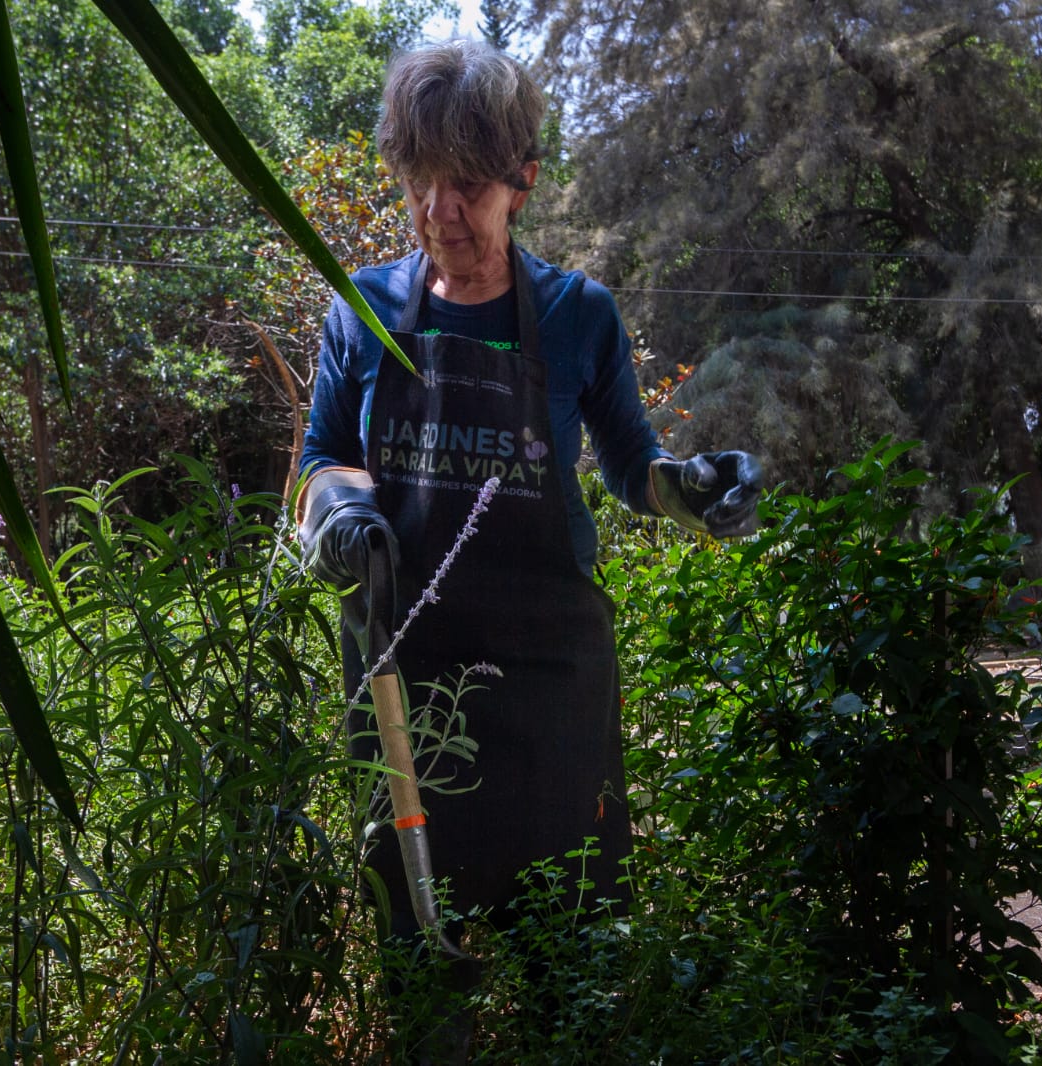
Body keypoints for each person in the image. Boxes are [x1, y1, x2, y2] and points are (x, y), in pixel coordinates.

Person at [297, 34, 761, 1037]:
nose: (439, 212)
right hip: (402, 686)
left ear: (523, 182)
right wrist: (341, 516)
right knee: (423, 983)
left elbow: (636, 469)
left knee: (575, 969)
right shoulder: (361, 312)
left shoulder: (576, 315)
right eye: (419, 182)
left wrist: (695, 491)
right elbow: (319, 459)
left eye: (465, 185)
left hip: (552, 690)